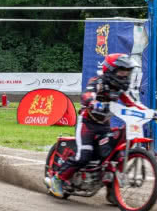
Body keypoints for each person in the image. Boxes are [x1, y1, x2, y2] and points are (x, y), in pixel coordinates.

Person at [45, 53, 146, 199]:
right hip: (87, 124)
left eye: (127, 71)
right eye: (122, 70)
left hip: (104, 125)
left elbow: (132, 103)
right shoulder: (98, 81)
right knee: (84, 155)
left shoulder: (120, 89)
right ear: (111, 70)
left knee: (114, 155)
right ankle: (57, 179)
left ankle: (112, 192)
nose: (125, 74)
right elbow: (86, 95)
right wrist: (93, 103)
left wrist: (149, 112)